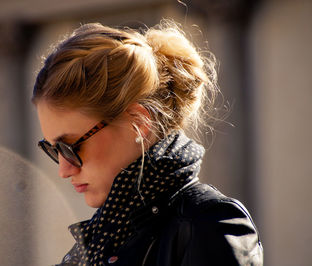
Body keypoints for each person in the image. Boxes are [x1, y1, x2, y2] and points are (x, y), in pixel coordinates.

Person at [32, 20, 263, 265]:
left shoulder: (208, 222)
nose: (63, 170)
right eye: (53, 150)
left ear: (139, 123)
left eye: (70, 147)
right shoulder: (102, 236)